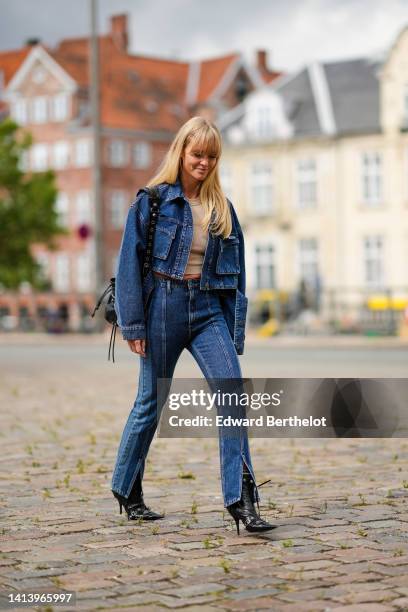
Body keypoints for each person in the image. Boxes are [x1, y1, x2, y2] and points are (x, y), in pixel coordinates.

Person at [111, 116, 276, 535]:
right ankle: (127, 488)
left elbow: (237, 274)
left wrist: (232, 327)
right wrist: (133, 325)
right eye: (197, 154)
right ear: (182, 152)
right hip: (161, 308)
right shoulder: (151, 201)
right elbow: (128, 263)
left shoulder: (223, 208)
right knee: (152, 401)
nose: (203, 162)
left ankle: (242, 501)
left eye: (211, 156)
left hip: (207, 311)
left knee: (232, 395)